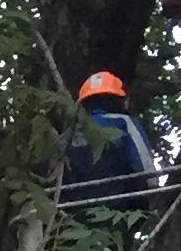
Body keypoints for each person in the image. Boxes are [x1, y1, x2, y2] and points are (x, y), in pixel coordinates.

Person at [59, 71, 162, 209]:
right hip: (119, 206)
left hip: (74, 210)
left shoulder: (69, 134)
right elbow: (144, 167)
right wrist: (153, 193)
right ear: (118, 100)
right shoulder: (124, 122)